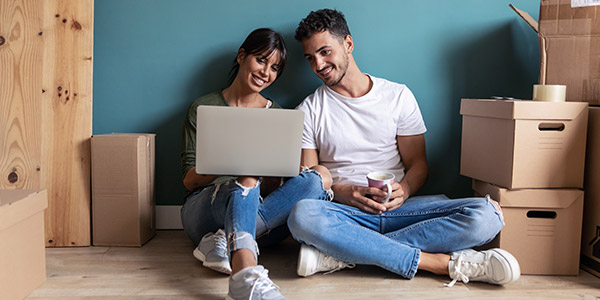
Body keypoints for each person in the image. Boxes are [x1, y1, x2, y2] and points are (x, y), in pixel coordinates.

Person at [287, 9, 521, 287]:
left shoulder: (397, 96)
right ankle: (438, 263)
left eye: (325, 52)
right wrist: (345, 192)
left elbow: (418, 166)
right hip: (345, 215)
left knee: (488, 215)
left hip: (404, 211)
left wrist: (406, 189)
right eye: (310, 58)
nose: (319, 64)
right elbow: (312, 182)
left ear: (348, 44)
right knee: (302, 215)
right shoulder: (309, 110)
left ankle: (343, 255)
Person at [180, 28, 332, 300]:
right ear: (242, 56)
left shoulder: (279, 116)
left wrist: (276, 174)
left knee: (318, 176)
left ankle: (222, 240)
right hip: (203, 209)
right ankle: (246, 275)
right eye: (261, 60)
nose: (266, 72)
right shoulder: (204, 107)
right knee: (247, 178)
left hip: (254, 212)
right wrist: (232, 162)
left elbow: (275, 192)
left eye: (275, 68)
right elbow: (189, 181)